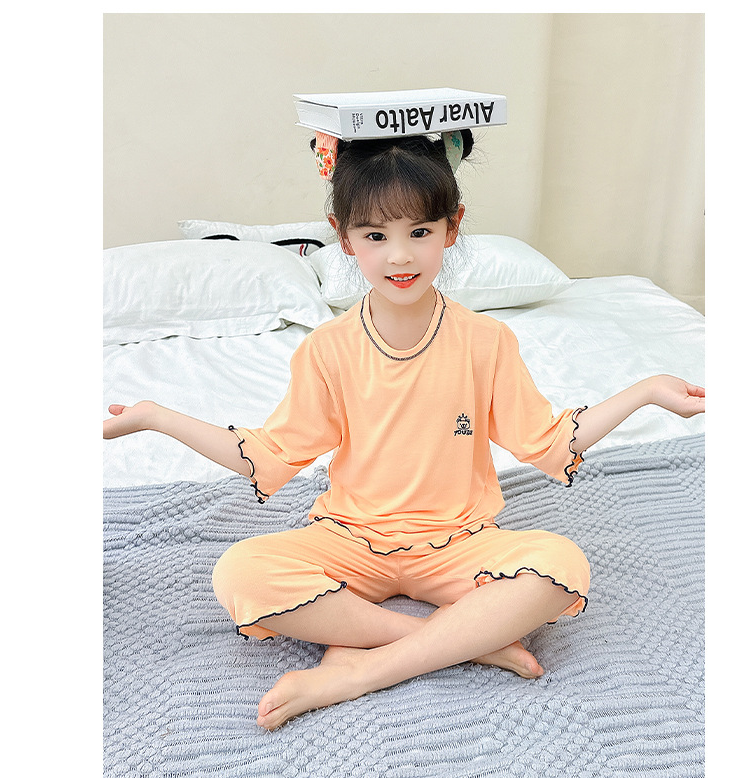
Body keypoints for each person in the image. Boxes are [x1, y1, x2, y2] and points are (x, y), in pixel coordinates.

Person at [103, 129, 705, 731]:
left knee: (561, 566)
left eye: (419, 232)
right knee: (241, 573)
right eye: (375, 236)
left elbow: (547, 444)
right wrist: (156, 417)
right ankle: (467, 641)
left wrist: (645, 391)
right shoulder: (327, 349)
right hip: (350, 539)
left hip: (460, 542)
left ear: (452, 227)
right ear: (343, 238)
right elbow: (270, 455)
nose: (399, 256)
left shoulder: (487, 341)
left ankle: (362, 669)